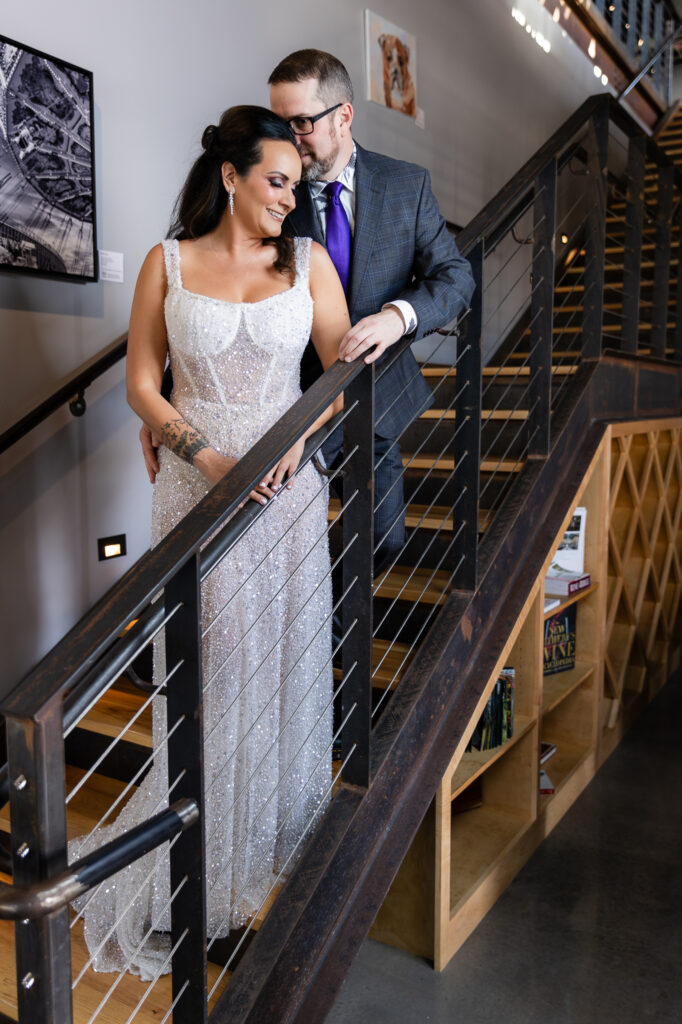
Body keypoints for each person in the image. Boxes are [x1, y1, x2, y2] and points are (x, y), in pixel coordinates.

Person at [70, 106, 349, 980]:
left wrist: (297, 437)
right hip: (198, 491)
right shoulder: (166, 263)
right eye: (275, 182)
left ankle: (267, 858)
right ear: (230, 177)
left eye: (295, 187)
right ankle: (200, 864)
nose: (286, 200)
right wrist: (204, 453)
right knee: (216, 673)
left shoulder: (308, 262)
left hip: (287, 496)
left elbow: (341, 370)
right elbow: (142, 385)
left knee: (284, 672)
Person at [268, 49, 476, 570]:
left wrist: (398, 316)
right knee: (288, 556)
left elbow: (455, 278)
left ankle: (337, 634)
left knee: (383, 542)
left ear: (343, 116)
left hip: (378, 398)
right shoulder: (270, 193)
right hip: (294, 405)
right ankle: (314, 645)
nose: (289, 139)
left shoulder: (407, 184)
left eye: (301, 123)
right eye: (281, 124)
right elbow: (219, 291)